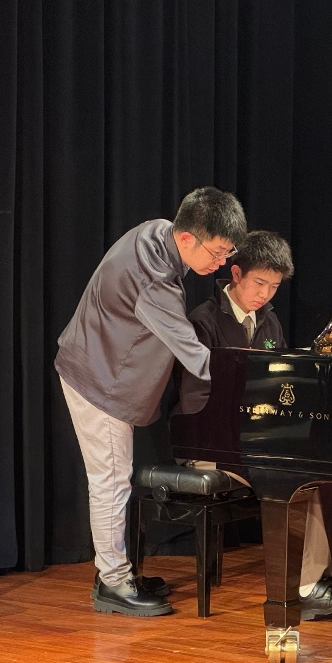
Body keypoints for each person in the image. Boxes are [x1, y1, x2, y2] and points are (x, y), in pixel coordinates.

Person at [55, 187, 247, 617]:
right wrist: (247, 383)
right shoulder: (154, 280)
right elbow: (191, 350)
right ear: (187, 238)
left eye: (227, 253)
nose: (220, 263)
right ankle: (113, 582)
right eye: (217, 253)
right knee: (111, 481)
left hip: (97, 359)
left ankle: (116, 571)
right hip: (98, 378)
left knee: (114, 478)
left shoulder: (158, 231)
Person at [188, 230, 332, 620]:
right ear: (236, 273)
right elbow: (195, 396)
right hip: (212, 442)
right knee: (294, 472)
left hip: (259, 438)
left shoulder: (269, 321)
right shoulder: (204, 321)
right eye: (259, 283)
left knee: (330, 468)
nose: (265, 294)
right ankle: (304, 587)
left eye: (274, 287)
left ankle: (318, 578)